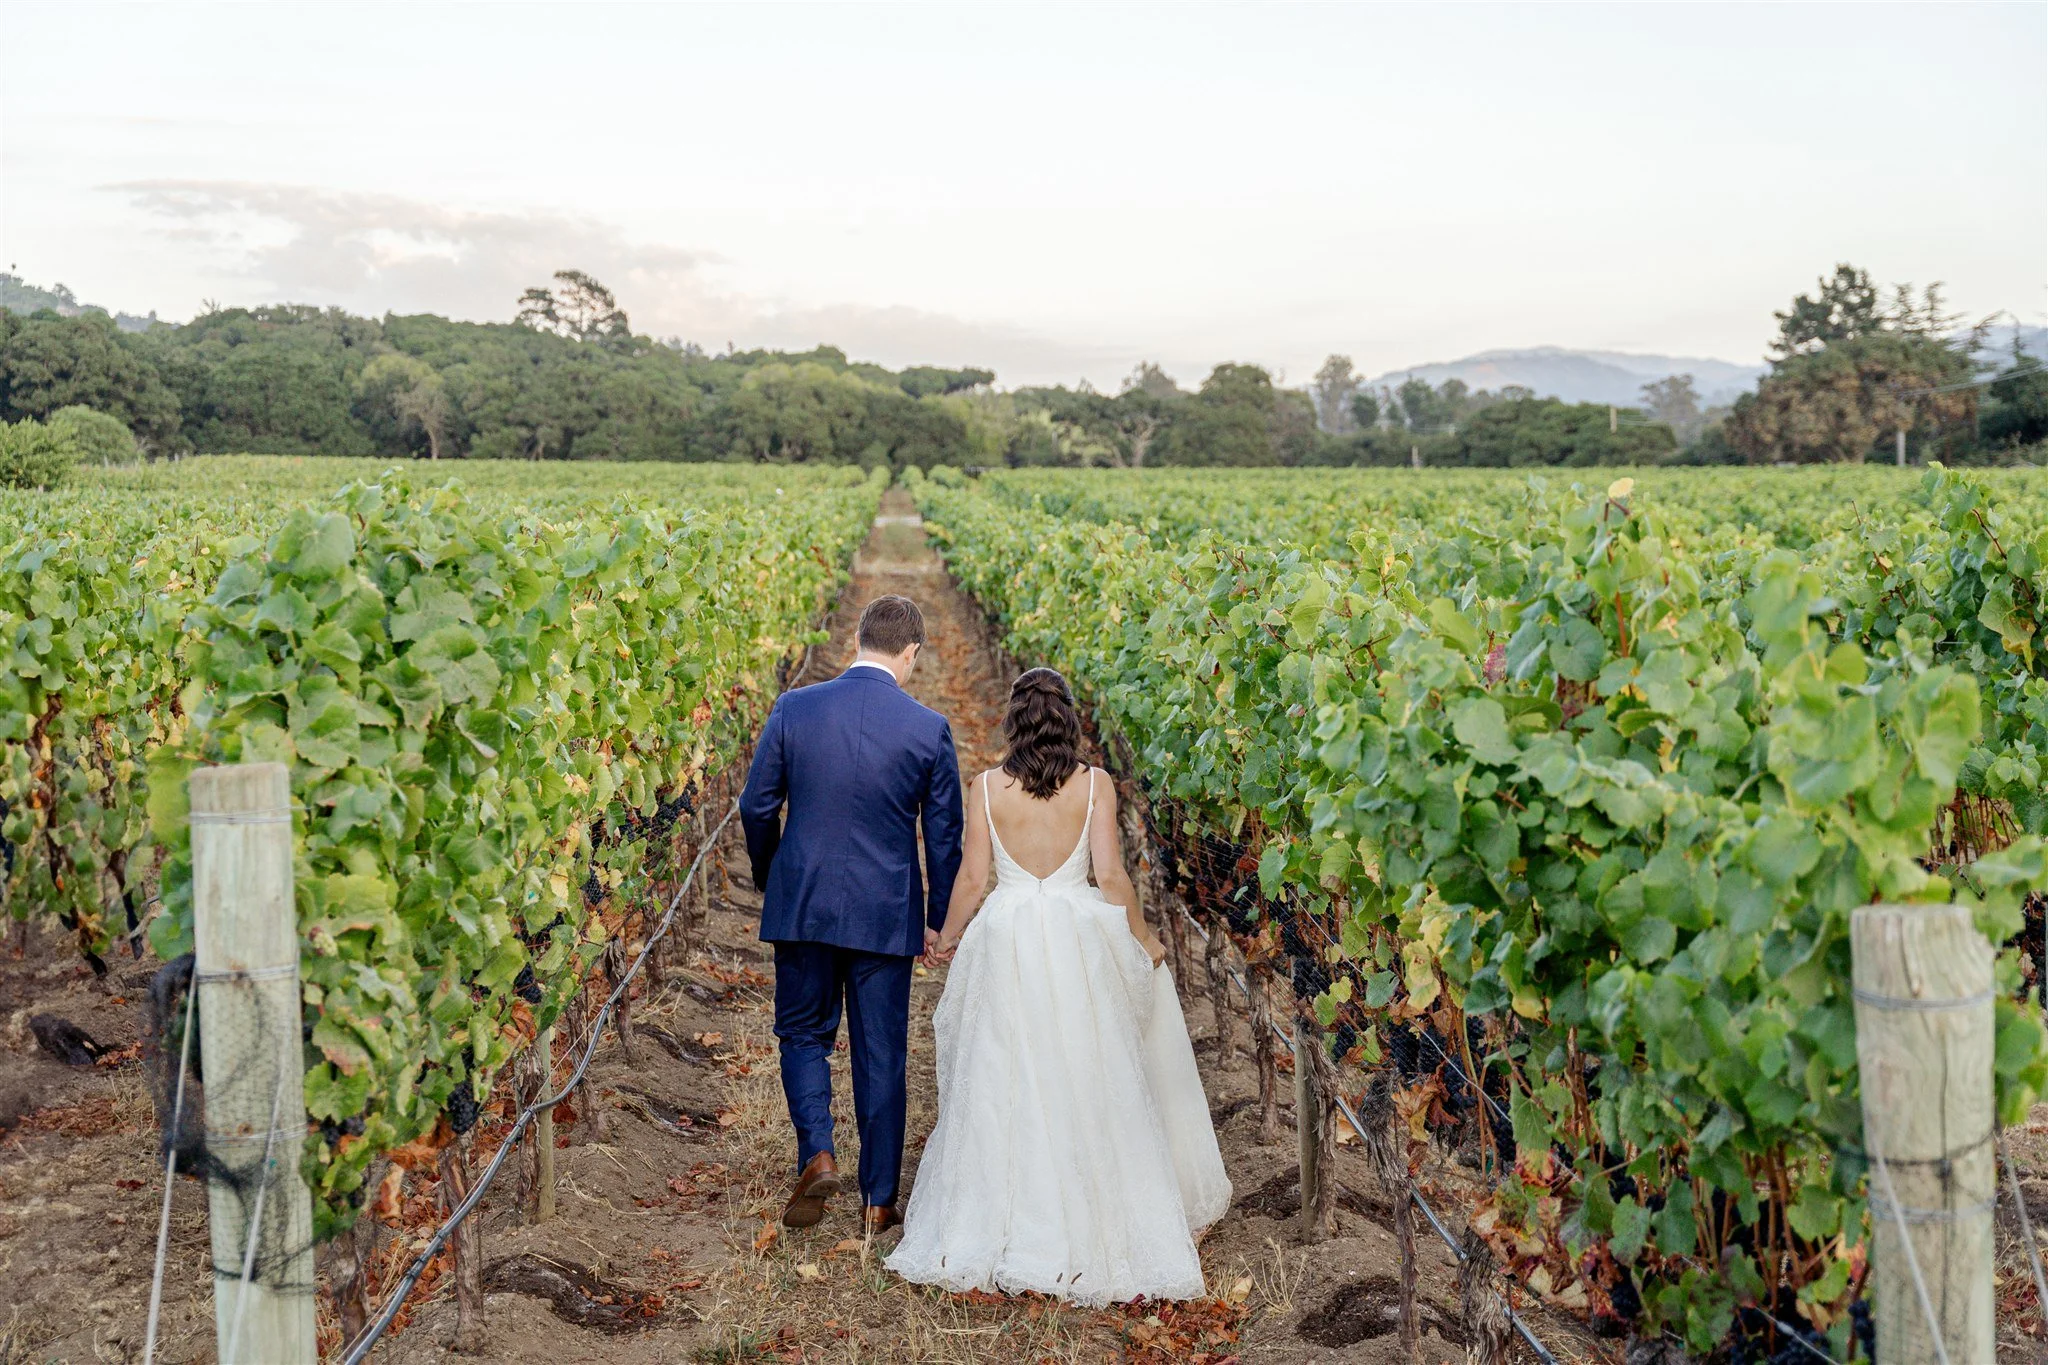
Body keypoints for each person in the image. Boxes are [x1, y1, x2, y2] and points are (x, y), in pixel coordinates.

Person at [887, 667, 1230, 1304]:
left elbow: (971, 878)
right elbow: (1111, 876)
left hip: (1009, 933)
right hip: (1077, 936)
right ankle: (1094, 1222)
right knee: (1088, 1069)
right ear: (1069, 718)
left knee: (1003, 1071)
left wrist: (945, 935)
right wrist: (1143, 936)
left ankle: (1005, 1219)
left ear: (1013, 719)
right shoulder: (1095, 784)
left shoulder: (987, 787)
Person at [740, 594, 964, 1233]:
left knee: (804, 1032)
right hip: (884, 911)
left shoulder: (795, 707)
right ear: (910, 652)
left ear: (858, 640)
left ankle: (817, 1150)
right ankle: (877, 1201)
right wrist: (936, 916)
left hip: (804, 902)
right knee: (881, 1052)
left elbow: (757, 807)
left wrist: (772, 872)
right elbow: (944, 836)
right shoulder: (927, 728)